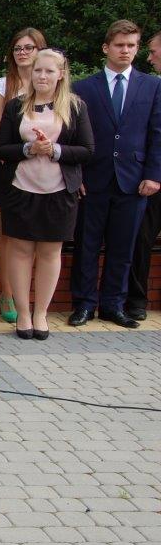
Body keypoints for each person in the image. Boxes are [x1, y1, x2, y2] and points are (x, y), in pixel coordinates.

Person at [0, 49, 94, 340]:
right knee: (21, 251)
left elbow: (87, 150)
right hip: (21, 190)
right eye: (38, 70)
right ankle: (23, 314)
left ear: (61, 74)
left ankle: (41, 314)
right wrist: (29, 149)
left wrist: (55, 150)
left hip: (59, 192)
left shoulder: (75, 107)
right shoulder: (15, 106)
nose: (42, 76)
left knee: (51, 252)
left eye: (49, 71)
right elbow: (1, 148)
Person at [70, 20, 161, 328]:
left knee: (123, 247)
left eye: (131, 45)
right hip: (92, 178)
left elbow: (157, 133)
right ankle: (84, 304)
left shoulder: (152, 86)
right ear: (106, 47)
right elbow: (73, 136)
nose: (126, 50)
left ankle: (113, 305)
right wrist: (76, 176)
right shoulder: (83, 88)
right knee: (87, 245)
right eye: (120, 45)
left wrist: (154, 174)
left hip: (134, 180)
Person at [0, 28, 47, 324]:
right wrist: (21, 152)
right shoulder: (2, 85)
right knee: (6, 232)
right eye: (18, 48)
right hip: (9, 163)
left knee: (36, 233)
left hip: (45, 168)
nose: (22, 53)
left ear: (40, 50)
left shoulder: (49, 84)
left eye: (28, 47)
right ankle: (7, 292)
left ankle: (32, 297)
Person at [127, 29, 161, 319]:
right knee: (141, 239)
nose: (149, 58)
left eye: (153, 51)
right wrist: (153, 174)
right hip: (153, 179)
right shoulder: (153, 87)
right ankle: (136, 301)